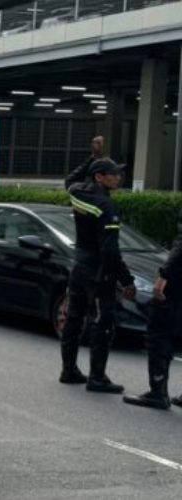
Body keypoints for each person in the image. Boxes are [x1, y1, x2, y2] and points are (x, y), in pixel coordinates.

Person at [58, 158, 135, 392]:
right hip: (99, 273)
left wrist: (91, 157)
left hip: (79, 266)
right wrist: (127, 280)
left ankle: (68, 370)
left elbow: (70, 180)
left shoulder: (77, 193)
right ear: (100, 178)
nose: (118, 177)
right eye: (113, 174)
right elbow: (110, 252)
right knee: (104, 322)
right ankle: (97, 377)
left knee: (74, 318)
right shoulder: (106, 207)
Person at [123, 209, 182, 409]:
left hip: (175, 290)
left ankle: (158, 393)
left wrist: (163, 277)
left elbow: (180, 249)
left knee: (159, 337)